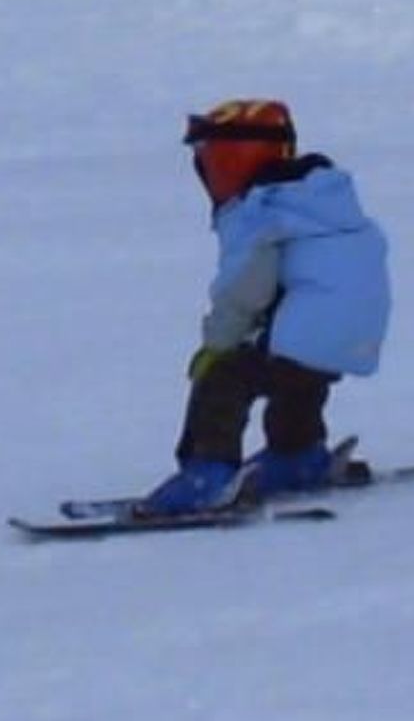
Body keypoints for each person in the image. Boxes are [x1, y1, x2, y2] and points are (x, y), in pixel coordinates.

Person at [138, 100, 393, 516]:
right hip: (358, 331)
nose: (207, 170)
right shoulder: (323, 201)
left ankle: (208, 474)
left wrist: (216, 346)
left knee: (225, 378)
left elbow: (244, 291)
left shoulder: (260, 210)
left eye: (213, 158)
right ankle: (297, 452)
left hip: (309, 329)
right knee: (300, 374)